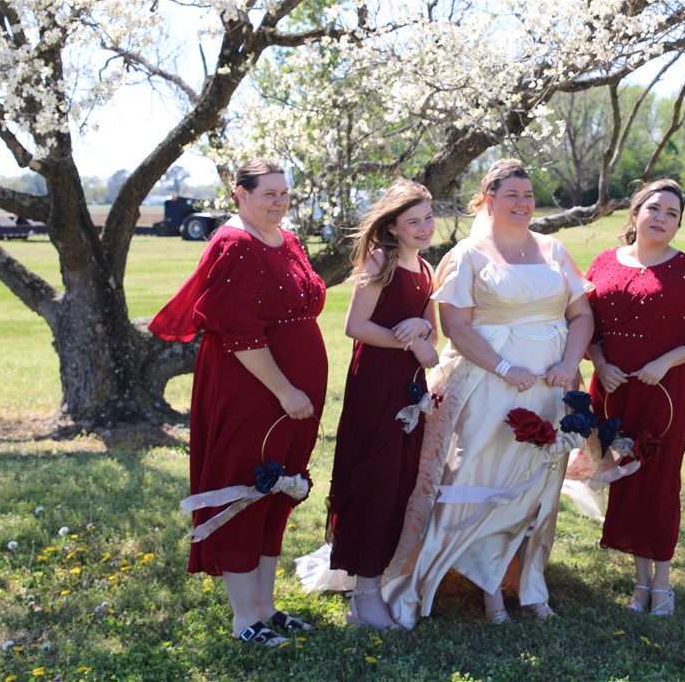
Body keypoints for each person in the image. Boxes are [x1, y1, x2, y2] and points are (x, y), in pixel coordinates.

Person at [382, 159, 594, 627]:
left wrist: (568, 363)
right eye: (512, 195)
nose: (523, 203)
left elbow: (581, 315)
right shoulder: (468, 254)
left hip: (552, 384)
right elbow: (455, 326)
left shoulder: (554, 249)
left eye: (528, 195)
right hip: (490, 382)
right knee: (481, 478)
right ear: (488, 201)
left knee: (539, 481)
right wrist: (503, 367)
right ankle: (487, 587)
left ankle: (530, 582)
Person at [149, 159, 327, 645]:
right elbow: (240, 333)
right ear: (239, 195)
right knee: (246, 492)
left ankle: (267, 608)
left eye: (284, 192)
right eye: (269, 193)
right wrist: (285, 390)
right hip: (256, 391)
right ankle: (244, 619)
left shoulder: (288, 239)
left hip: (292, 398)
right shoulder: (235, 244)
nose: (279, 201)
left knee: (276, 495)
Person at [585, 179, 685, 617]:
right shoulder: (603, 263)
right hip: (612, 391)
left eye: (672, 214)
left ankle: (662, 584)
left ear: (678, 225)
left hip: (664, 395)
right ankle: (640, 583)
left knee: (658, 482)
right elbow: (585, 326)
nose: (661, 218)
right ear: (636, 212)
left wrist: (663, 362)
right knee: (625, 479)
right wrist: (601, 363)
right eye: (654, 209)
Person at [326, 180, 440, 630]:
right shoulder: (381, 259)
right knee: (375, 479)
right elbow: (355, 326)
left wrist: (421, 329)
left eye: (428, 217)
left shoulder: (426, 267)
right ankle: (364, 598)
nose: (424, 227)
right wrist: (411, 342)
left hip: (410, 389)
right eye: (413, 221)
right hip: (376, 385)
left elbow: (432, 331)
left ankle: (377, 582)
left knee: (399, 481)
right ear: (392, 226)